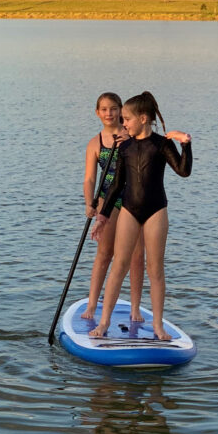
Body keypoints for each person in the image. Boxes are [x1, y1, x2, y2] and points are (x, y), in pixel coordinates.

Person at [89, 91, 192, 341]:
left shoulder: (161, 145)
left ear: (143, 118)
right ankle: (104, 323)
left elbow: (183, 171)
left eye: (127, 119)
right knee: (119, 266)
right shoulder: (124, 147)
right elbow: (115, 186)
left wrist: (185, 143)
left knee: (155, 269)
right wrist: (102, 217)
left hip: (156, 210)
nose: (123, 123)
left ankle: (158, 326)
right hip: (129, 210)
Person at [82, 92, 146, 321]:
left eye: (113, 109)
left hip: (133, 199)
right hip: (107, 200)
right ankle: (91, 304)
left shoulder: (133, 136)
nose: (109, 113)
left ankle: (135, 308)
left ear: (121, 110)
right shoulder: (95, 143)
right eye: (104, 109)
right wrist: (90, 202)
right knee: (104, 253)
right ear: (97, 113)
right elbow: (90, 178)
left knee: (137, 255)